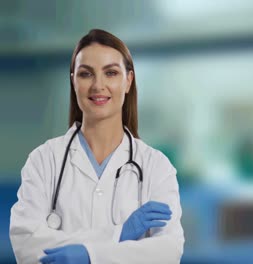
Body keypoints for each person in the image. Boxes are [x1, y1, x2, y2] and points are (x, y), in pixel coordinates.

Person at [9, 29, 184, 263]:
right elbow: (27, 244)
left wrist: (91, 255)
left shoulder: (155, 166)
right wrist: (119, 234)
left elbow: (167, 251)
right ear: (73, 81)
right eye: (86, 74)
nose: (98, 85)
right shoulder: (44, 160)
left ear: (128, 81)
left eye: (110, 73)